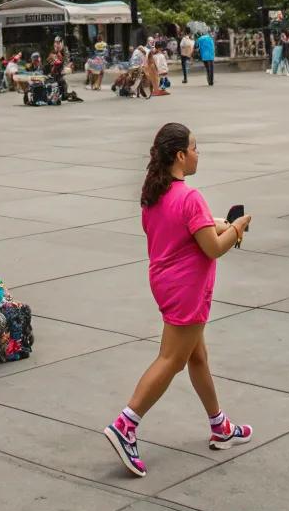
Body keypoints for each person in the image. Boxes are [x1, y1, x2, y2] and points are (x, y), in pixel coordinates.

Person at [103, 122, 252, 477]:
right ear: (181, 155)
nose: (199, 154)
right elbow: (213, 248)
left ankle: (220, 426)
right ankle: (126, 424)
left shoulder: (155, 194)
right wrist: (237, 228)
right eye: (196, 148)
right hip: (188, 288)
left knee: (196, 355)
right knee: (171, 359)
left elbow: (187, 228)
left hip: (165, 281)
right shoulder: (190, 197)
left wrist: (217, 223)